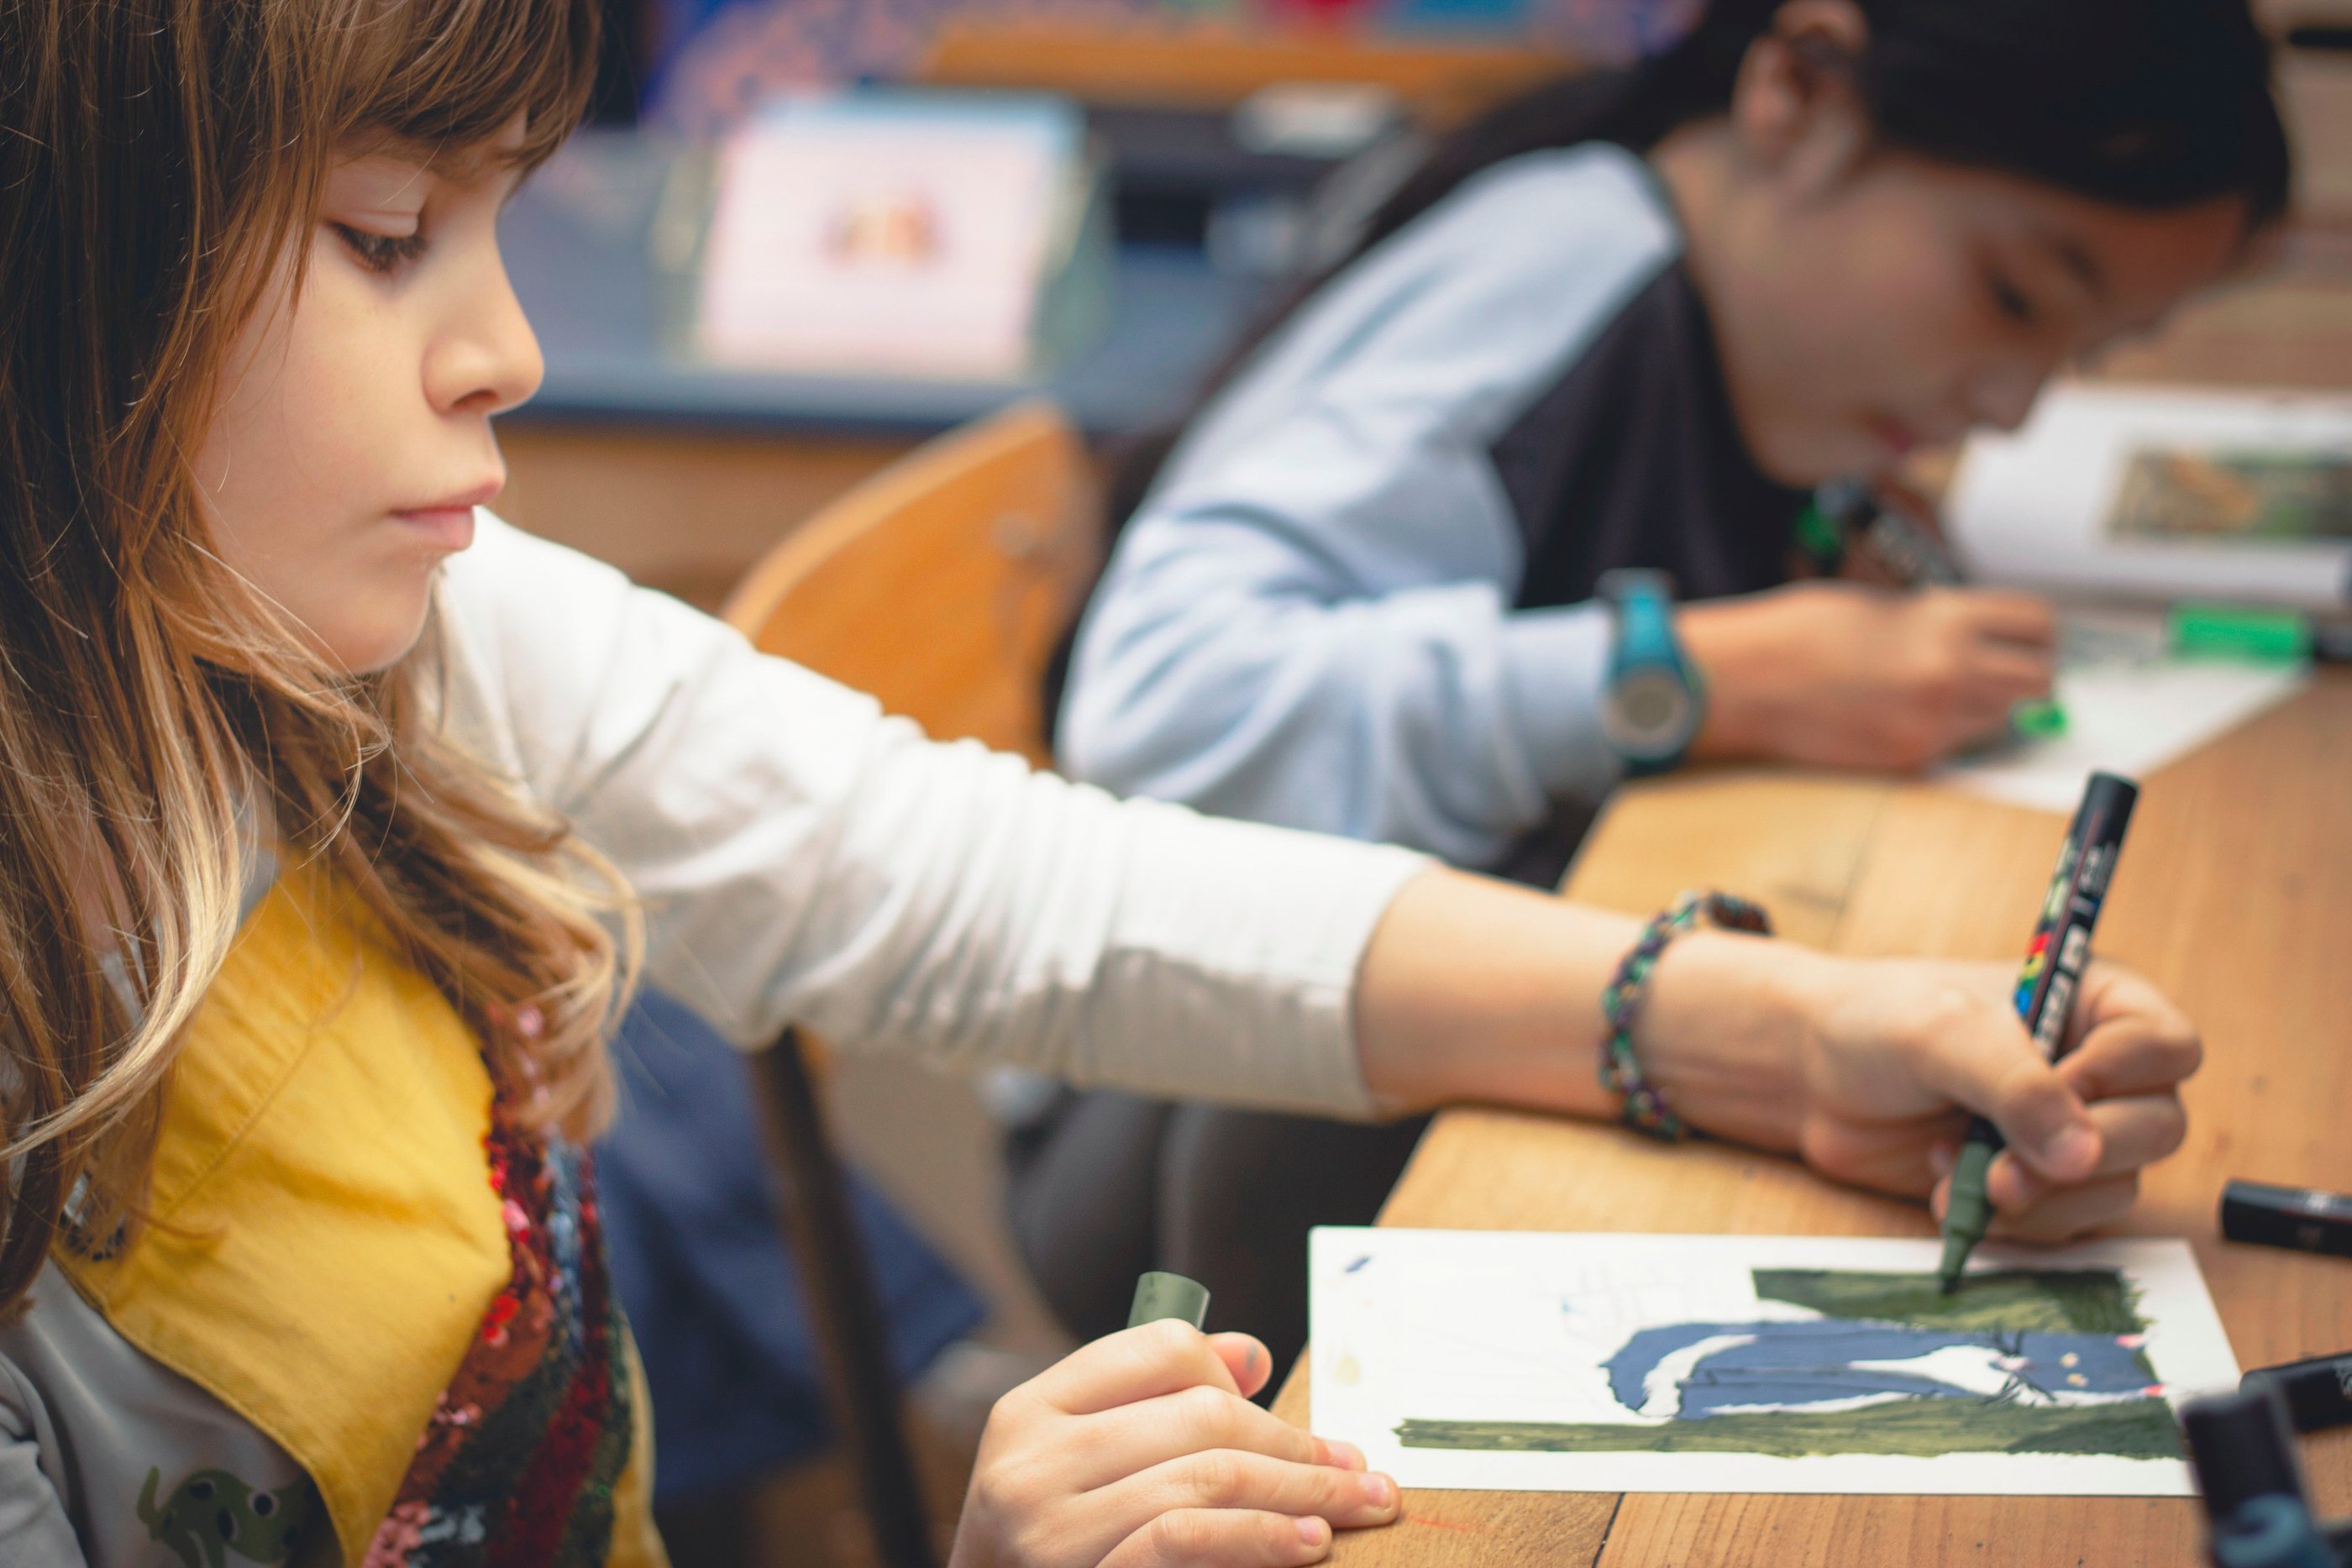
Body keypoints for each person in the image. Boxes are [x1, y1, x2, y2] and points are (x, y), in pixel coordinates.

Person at [0, 1, 2203, 1564]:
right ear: (63, 254)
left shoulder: (401, 642)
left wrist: (1769, 1023)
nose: (508, 347)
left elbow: (1013, 890)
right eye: (388, 232)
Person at [1028, 0, 2286, 1376]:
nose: (2012, 406)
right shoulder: (1559, 267)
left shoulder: (1748, 329)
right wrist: (1695, 677)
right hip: (1164, 1138)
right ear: (1799, 96)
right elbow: (1160, 702)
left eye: (2085, 353)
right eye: (2017, 297)